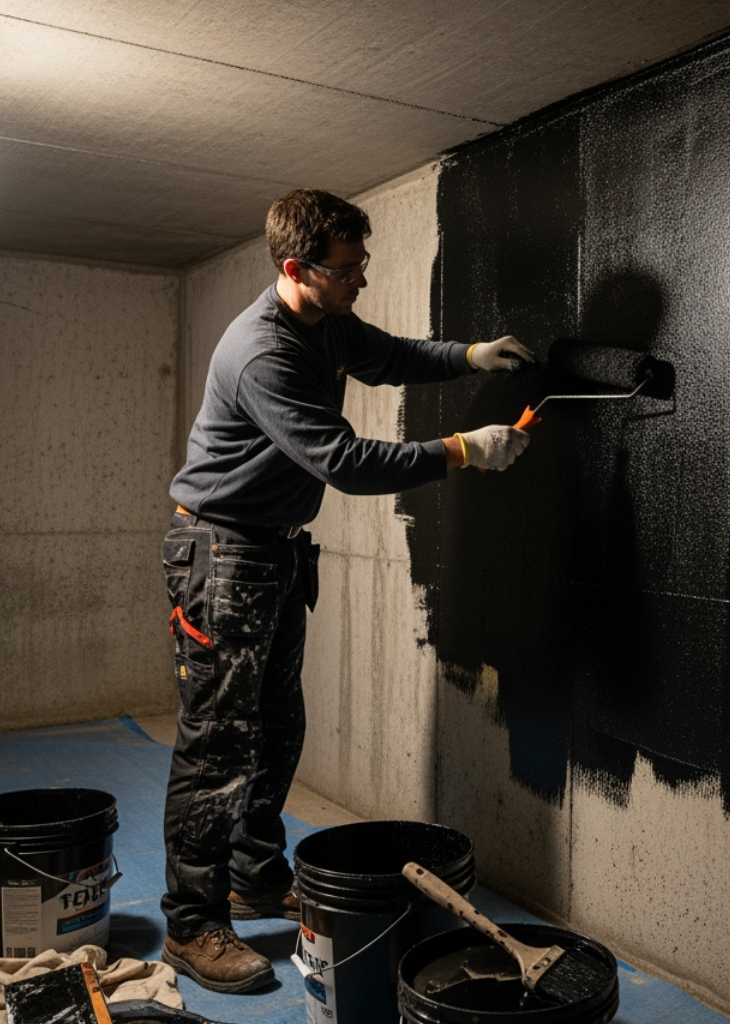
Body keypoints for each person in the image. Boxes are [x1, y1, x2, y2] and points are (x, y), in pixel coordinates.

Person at [158, 187, 531, 992]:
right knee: (217, 742)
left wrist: (470, 355)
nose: (360, 278)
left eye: (362, 263)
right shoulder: (265, 352)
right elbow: (347, 462)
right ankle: (190, 925)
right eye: (348, 268)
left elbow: (388, 355)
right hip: (221, 555)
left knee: (276, 723)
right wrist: (463, 449)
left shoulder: (323, 322)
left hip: (276, 552)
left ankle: (254, 874)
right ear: (298, 269)